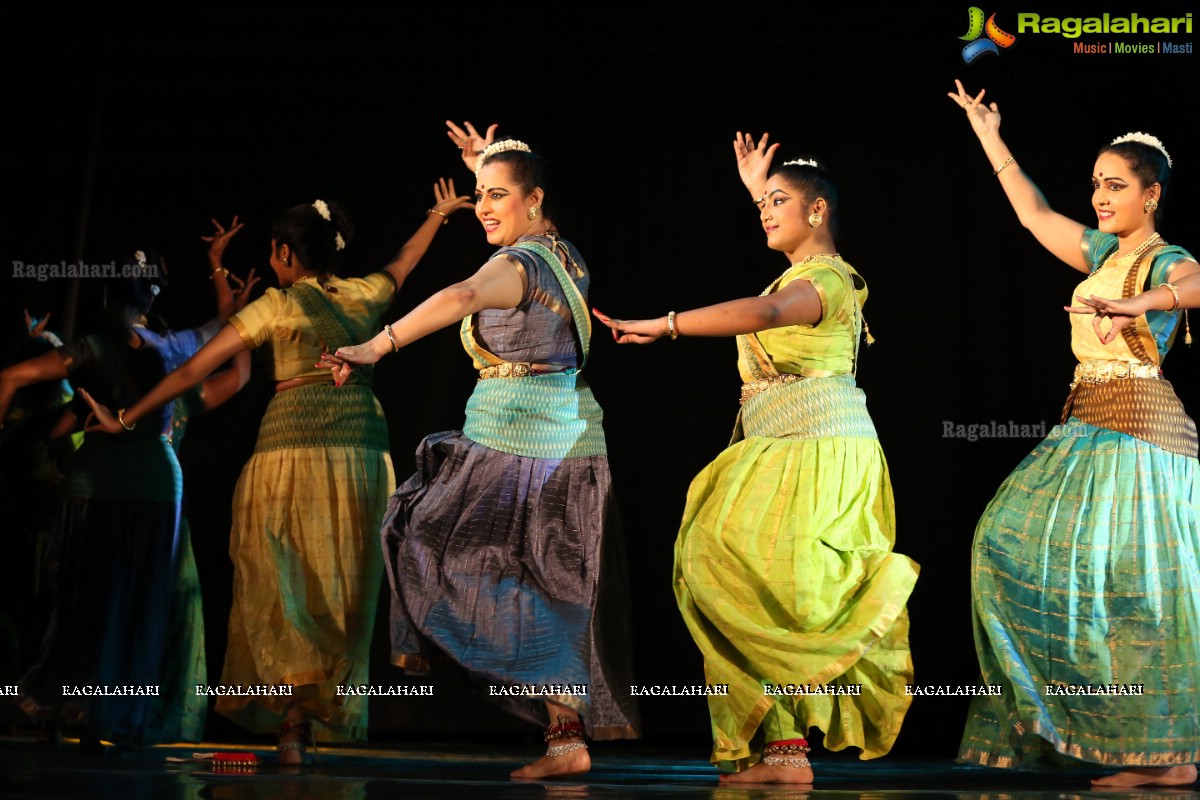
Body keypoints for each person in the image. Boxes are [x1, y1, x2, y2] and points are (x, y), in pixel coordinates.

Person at [84, 182, 471, 763]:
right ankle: (299, 721)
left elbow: (193, 372)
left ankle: (293, 717)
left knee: (282, 580)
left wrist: (125, 416)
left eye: (273, 251)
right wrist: (438, 216)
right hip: (360, 452)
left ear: (286, 255)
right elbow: (403, 263)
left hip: (289, 450)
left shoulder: (278, 304)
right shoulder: (364, 295)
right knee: (340, 585)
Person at [593, 132, 918, 785]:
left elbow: (769, 312)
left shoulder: (826, 278)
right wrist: (761, 189)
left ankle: (788, 752)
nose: (765, 214)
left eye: (779, 203)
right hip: (784, 450)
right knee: (746, 582)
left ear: (818, 211)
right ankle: (784, 753)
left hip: (822, 454)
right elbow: (777, 284)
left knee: (783, 595)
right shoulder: (801, 268)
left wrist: (668, 325)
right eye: (761, 205)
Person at [322, 132, 640, 780]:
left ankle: (554, 707)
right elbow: (513, 201)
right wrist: (484, 170)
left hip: (520, 442)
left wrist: (376, 346)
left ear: (535, 199)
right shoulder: (565, 254)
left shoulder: (517, 263)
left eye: (498, 196)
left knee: (426, 543)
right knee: (543, 582)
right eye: (478, 198)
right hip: (569, 440)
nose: (484, 208)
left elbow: (460, 297)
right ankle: (565, 738)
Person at [948, 80, 1200, 788]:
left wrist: (1139, 303)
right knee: (1010, 544)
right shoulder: (1100, 253)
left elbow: (1197, 283)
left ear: (1150, 194)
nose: (1100, 196)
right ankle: (1130, 745)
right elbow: (1032, 213)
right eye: (1096, 184)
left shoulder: (1161, 257)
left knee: (1134, 592)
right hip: (1088, 428)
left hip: (1141, 438)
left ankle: (1167, 757)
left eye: (1115, 185)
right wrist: (987, 131)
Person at [0, 245, 249, 748]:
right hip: (155, 486)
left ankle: (69, 705)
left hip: (93, 484)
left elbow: (12, 377)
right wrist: (223, 277)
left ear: (109, 294)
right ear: (154, 297)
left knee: (85, 597)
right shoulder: (178, 346)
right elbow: (233, 342)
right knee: (139, 605)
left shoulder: (92, 346)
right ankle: (122, 715)